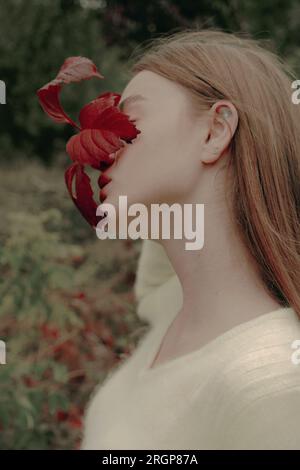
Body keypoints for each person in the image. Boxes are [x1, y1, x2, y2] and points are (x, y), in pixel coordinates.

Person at [81, 28, 300, 450]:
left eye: (129, 117)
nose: (98, 147)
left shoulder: (271, 383)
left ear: (216, 130)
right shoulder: (175, 308)